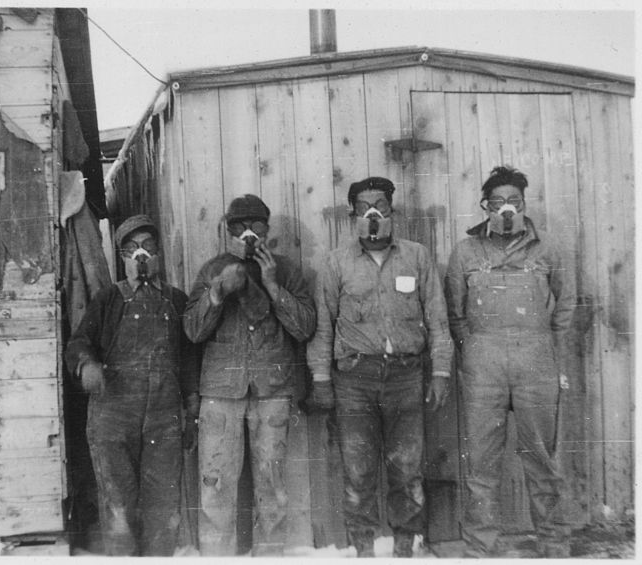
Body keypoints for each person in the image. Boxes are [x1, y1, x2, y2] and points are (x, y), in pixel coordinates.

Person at [306, 177, 453, 558]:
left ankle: (406, 547)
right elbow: (322, 327)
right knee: (358, 470)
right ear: (353, 215)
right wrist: (322, 380)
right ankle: (364, 550)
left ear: (392, 212)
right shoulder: (336, 263)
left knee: (407, 469)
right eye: (364, 208)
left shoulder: (417, 257)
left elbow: (438, 320)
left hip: (406, 377)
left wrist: (440, 372)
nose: (374, 215)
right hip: (354, 380)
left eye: (382, 207)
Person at [444, 165, 575, 558]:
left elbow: (566, 302)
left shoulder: (547, 248)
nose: (507, 209)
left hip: (536, 361)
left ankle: (554, 544)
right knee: (482, 465)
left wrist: (546, 343)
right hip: (483, 365)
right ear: (485, 207)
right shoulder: (466, 251)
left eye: (514, 202)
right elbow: (454, 311)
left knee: (543, 461)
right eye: (498, 202)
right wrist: (473, 347)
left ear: (524, 204)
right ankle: (480, 548)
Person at [183, 194, 316, 556]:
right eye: (238, 228)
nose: (247, 235)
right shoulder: (212, 269)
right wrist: (216, 292)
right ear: (228, 232)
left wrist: (273, 286)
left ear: (267, 230)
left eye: (255, 226)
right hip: (221, 391)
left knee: (272, 488)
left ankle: (270, 556)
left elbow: (305, 328)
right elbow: (192, 332)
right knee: (216, 485)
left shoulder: (285, 270)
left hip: (272, 389)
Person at [64, 214, 199, 556]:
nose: (140, 255)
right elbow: (77, 343)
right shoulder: (108, 300)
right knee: (118, 507)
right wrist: (87, 366)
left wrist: (193, 405)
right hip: (113, 418)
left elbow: (188, 359)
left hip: (163, 418)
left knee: (163, 507)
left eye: (148, 247)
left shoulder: (176, 300)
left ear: (159, 254)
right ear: (122, 257)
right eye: (131, 249)